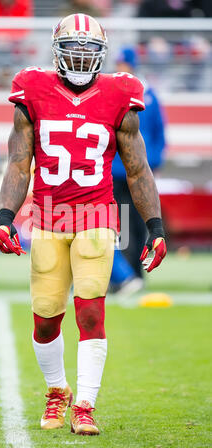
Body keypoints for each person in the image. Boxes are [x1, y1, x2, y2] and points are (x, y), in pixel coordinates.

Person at [0, 14, 167, 435]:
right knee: (46, 315)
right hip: (48, 216)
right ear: (56, 50)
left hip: (97, 215)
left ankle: (85, 405)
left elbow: (139, 169)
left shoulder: (120, 93)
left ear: (101, 55)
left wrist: (156, 227)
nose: (80, 55)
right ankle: (57, 391)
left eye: (89, 49)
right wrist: (5, 217)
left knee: (90, 309)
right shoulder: (32, 90)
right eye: (72, 47)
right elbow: (20, 162)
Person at [110, 46, 166, 294]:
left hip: (132, 170)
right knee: (123, 224)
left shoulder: (139, 95)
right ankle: (127, 277)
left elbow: (157, 135)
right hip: (119, 171)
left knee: (137, 223)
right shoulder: (143, 94)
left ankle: (133, 275)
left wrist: (151, 164)